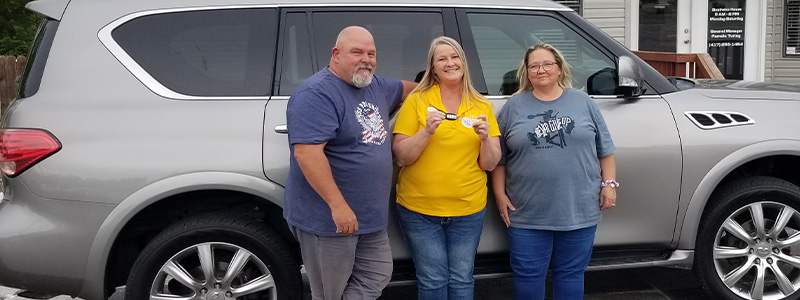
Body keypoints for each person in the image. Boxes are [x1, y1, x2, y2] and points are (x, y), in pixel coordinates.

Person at [283, 26, 415, 300]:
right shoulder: (317, 94)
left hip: (369, 218)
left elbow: (410, 89)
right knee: (330, 291)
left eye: (371, 53)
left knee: (377, 273)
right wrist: (338, 206)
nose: (366, 59)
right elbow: (307, 154)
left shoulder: (374, 85)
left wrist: (447, 88)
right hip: (330, 220)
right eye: (357, 52)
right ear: (336, 54)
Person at [491, 43, 617, 300]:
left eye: (547, 64)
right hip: (526, 212)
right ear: (526, 72)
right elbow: (498, 158)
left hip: (578, 208)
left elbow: (605, 150)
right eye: (534, 66)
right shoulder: (514, 107)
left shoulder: (583, 102)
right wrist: (499, 195)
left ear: (559, 68)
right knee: (527, 275)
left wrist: (609, 184)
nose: (541, 70)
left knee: (571, 273)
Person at [392, 36, 502, 300]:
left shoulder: (482, 106)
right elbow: (401, 156)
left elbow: (489, 163)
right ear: (433, 66)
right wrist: (426, 131)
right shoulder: (417, 101)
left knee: (462, 279)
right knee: (432, 280)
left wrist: (486, 138)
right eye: (442, 58)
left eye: (454, 57)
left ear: (463, 63)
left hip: (468, 210)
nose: (450, 63)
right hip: (419, 209)